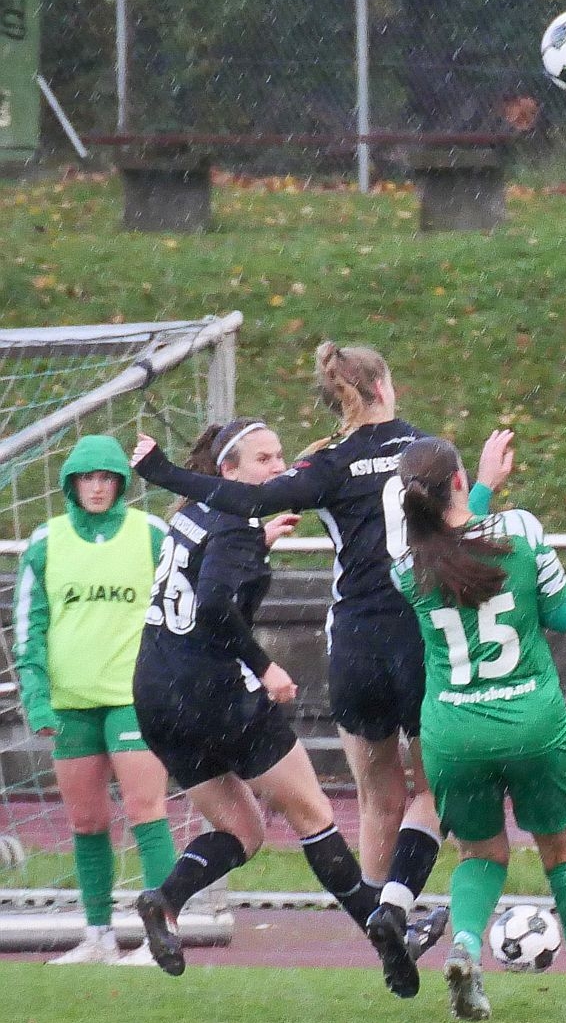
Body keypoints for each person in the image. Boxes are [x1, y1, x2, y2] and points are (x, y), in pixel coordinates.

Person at [130, 343, 503, 953]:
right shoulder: (426, 452)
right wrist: (484, 485)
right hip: (416, 635)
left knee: (376, 797)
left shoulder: (327, 462)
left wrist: (165, 473)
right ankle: (396, 911)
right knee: (434, 789)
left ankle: (381, 935)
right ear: (383, 385)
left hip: (351, 642)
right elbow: (463, 527)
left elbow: (250, 503)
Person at [129, 418, 420, 997]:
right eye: (264, 459)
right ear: (228, 471)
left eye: (281, 456)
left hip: (156, 697)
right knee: (314, 817)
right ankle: (386, 936)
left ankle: (165, 900)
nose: (279, 467)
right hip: (215, 695)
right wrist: (265, 667)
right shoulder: (236, 521)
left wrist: (253, 548)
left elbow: (204, 576)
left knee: (241, 830)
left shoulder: (190, 515)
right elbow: (214, 605)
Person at [390, 436, 566, 1020]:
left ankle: (466, 944)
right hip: (531, 720)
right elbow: (562, 616)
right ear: (459, 482)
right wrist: (489, 492)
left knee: (480, 854)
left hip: (454, 731)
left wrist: (479, 490)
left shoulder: (406, 566)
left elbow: (454, 547)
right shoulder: (521, 530)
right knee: (562, 850)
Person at [15, 435, 175, 965]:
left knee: (146, 811)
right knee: (85, 822)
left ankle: (160, 935)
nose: (98, 487)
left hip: (135, 699)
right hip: (70, 704)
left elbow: (183, 605)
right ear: (72, 484)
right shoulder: (46, 541)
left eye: (107, 477)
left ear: (122, 483)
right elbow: (28, 628)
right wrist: (37, 700)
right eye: (88, 478)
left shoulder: (151, 534)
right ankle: (98, 935)